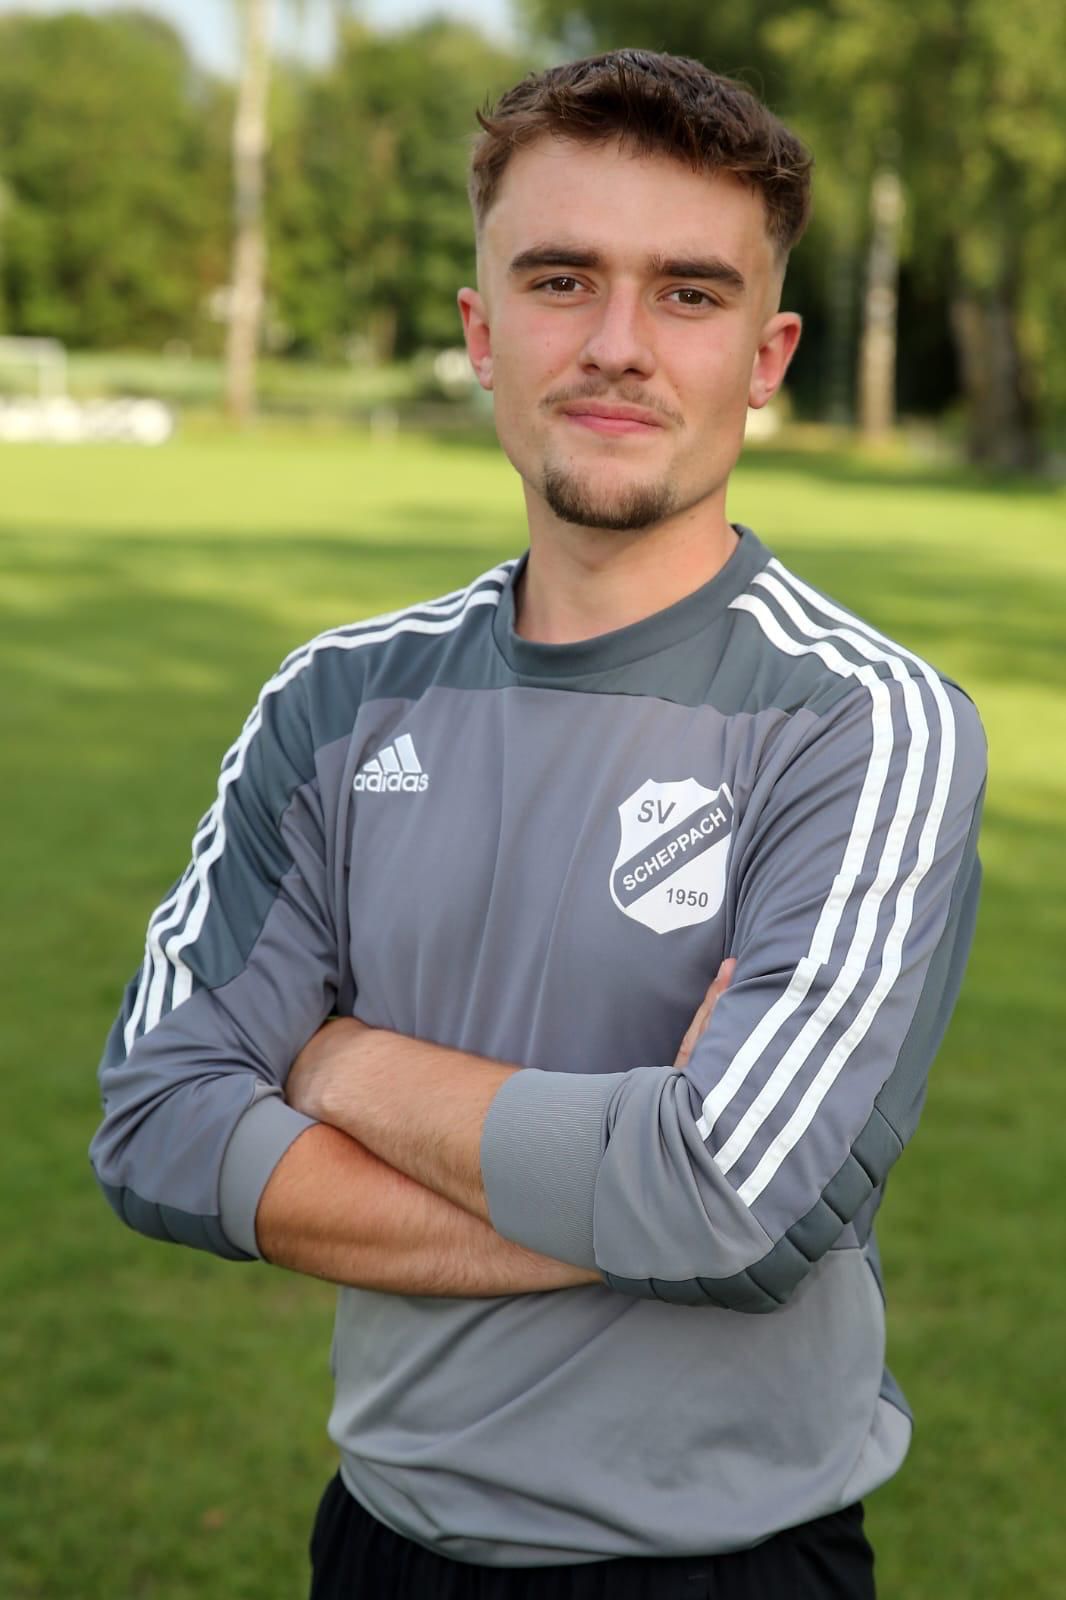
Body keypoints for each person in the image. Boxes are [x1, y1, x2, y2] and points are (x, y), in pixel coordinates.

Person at [91, 49, 987, 1600]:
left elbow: (734, 1203)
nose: (617, 345)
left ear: (765, 354)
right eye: (561, 280)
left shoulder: (860, 721)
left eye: (688, 294)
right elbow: (157, 1123)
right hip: (382, 1548)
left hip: (723, 1570)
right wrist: (644, 1187)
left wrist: (331, 1061)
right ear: (480, 328)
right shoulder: (338, 700)